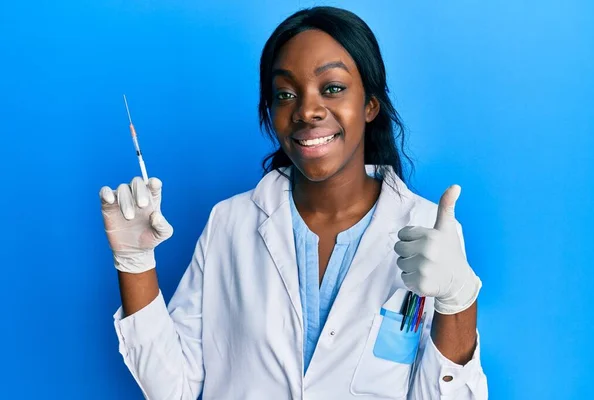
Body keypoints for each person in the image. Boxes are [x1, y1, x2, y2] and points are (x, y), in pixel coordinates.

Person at [100, 6, 487, 400]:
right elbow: (173, 389)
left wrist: (458, 299)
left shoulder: (426, 231)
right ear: (270, 112)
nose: (306, 110)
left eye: (332, 88)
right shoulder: (230, 223)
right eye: (285, 94)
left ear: (371, 104)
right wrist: (135, 265)